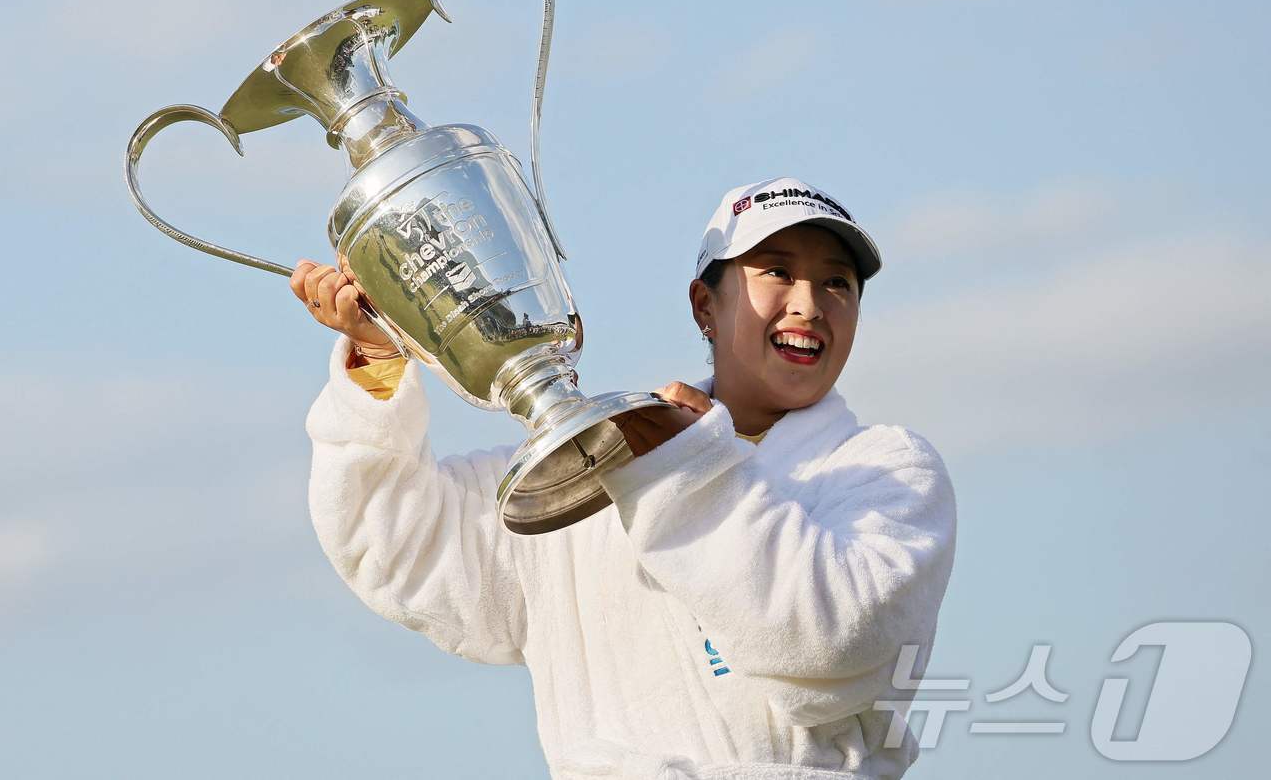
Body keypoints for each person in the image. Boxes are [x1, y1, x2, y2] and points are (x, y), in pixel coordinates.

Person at [291, 176, 958, 780]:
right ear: (706, 305)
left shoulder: (889, 470)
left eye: (837, 283)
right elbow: (401, 544)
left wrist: (690, 468)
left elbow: (834, 644)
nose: (809, 304)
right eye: (777, 271)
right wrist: (377, 363)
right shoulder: (589, 463)